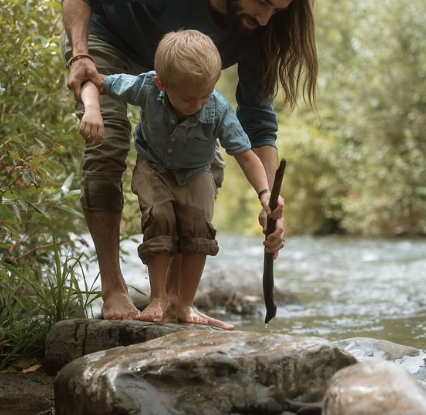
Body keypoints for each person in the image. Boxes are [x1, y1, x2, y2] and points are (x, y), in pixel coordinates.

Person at [60, 0, 318, 321]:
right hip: (108, 40)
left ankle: (177, 301)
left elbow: (259, 124)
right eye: (263, 1)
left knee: (200, 165)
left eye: (276, 11)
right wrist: (80, 54)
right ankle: (114, 290)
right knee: (108, 145)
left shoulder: (256, 30)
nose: (265, 17)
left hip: (181, 82)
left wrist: (268, 201)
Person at [79, 30, 284, 329]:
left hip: (198, 171)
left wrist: (265, 193)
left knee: (198, 232)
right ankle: (158, 300)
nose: (200, 104)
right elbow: (93, 81)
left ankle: (184, 305)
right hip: (154, 167)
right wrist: (92, 109)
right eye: (189, 98)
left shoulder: (217, 108)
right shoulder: (146, 86)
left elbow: (246, 155)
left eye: (206, 94)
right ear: (163, 85)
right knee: (159, 219)